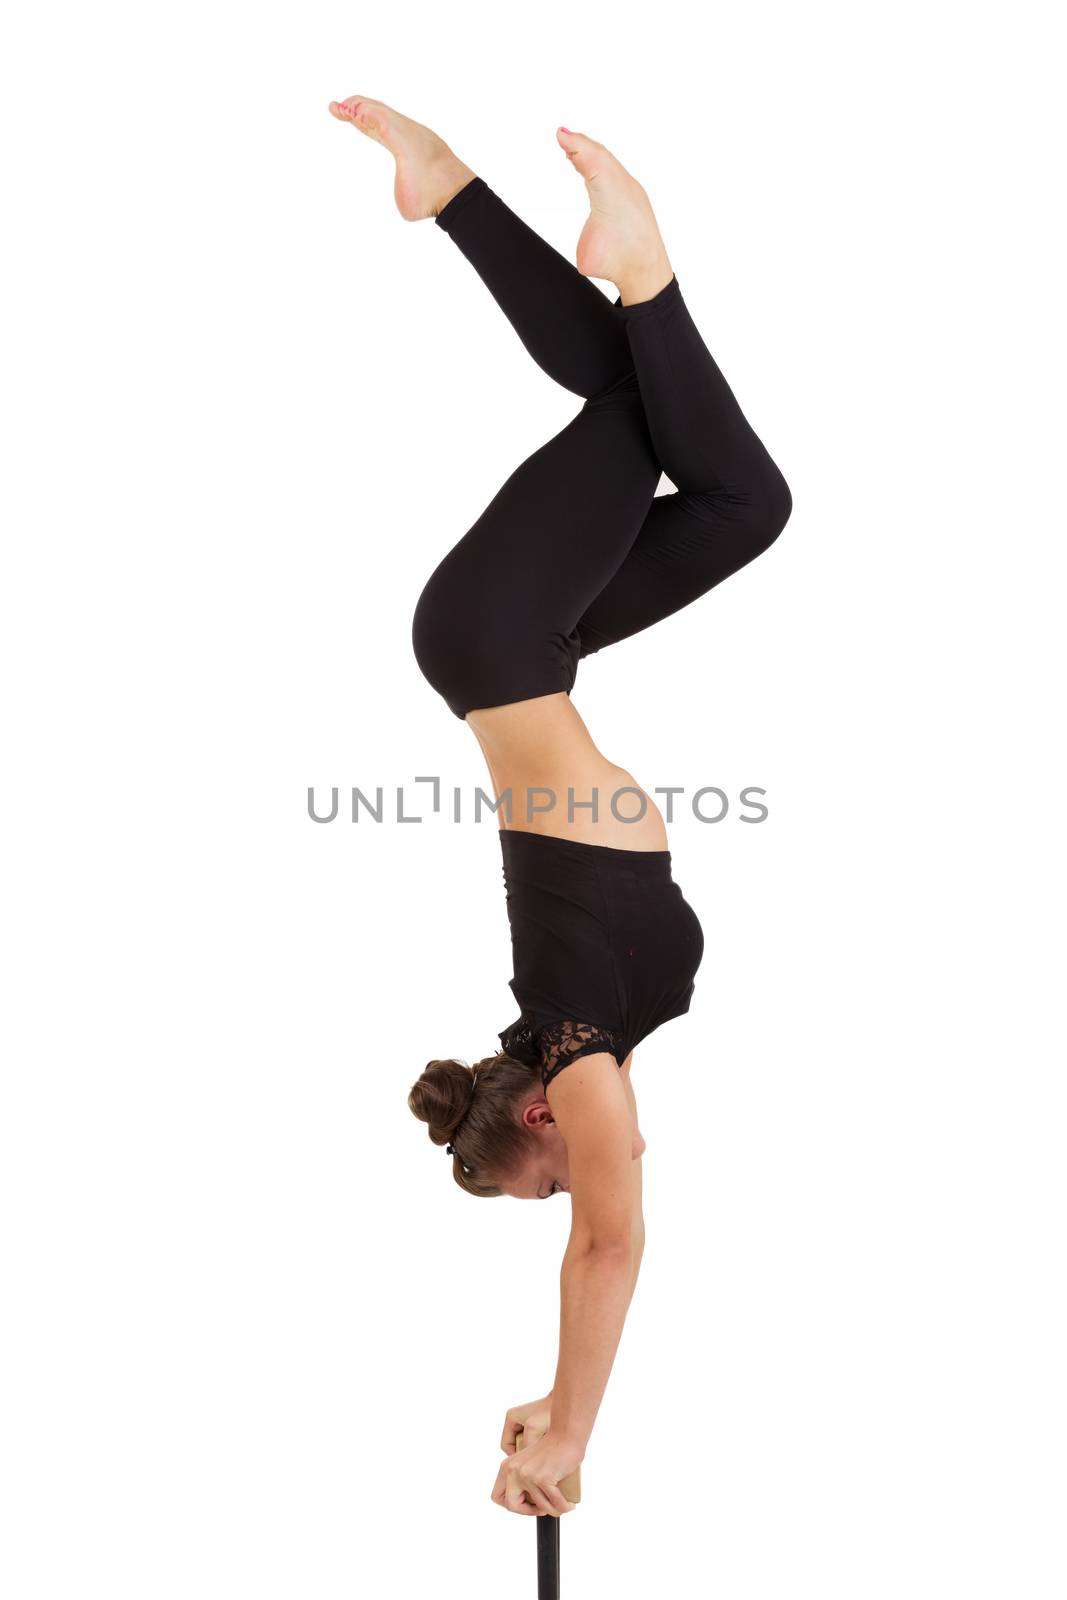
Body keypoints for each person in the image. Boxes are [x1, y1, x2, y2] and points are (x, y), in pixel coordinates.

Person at [328, 95, 792, 1517]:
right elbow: (600, 1222)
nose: (596, 1174)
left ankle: (525, 221)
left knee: (633, 413)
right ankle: (521, 221)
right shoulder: (610, 1033)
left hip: (493, 635)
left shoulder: (578, 1044)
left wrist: (575, 1429)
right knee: (739, 507)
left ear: (539, 1121)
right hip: (534, 647)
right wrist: (545, 1403)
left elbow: (607, 1249)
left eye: (556, 1180)